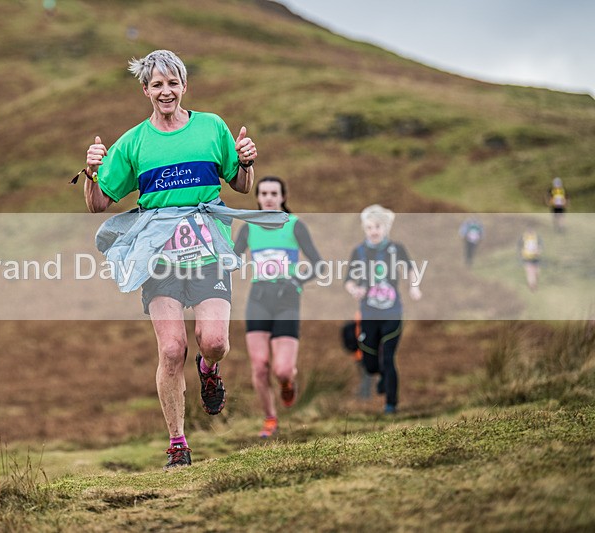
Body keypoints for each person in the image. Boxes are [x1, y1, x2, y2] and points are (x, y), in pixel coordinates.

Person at [81, 50, 287, 469]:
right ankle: (178, 443)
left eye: (172, 83)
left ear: (184, 86)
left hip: (208, 249)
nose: (166, 91)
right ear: (145, 90)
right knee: (172, 348)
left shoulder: (211, 127)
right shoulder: (134, 142)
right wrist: (91, 173)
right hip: (159, 256)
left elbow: (242, 185)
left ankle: (208, 369)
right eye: (157, 84)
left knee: (215, 342)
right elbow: (98, 203)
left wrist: (247, 162)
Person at [233, 177, 323, 438]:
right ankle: (270, 418)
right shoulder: (249, 228)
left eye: (274, 193)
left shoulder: (295, 225)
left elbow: (319, 264)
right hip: (258, 299)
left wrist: (297, 280)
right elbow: (232, 259)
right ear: (258, 198)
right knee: (260, 366)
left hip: (287, 300)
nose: (269, 198)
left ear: (283, 197)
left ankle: (287, 382)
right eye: (264, 193)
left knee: (282, 369)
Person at [343, 204, 422, 414]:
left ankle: (391, 405)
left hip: (392, 313)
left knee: (388, 357)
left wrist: (414, 287)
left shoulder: (396, 249)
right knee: (370, 365)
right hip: (368, 314)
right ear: (364, 228)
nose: (374, 231)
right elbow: (348, 280)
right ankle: (383, 377)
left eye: (377, 227)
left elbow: (411, 270)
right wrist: (354, 290)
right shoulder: (359, 251)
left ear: (386, 227)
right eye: (369, 227)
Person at [518, 224, 542, 291]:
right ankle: (531, 285)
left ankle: (534, 283)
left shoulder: (536, 237)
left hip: (535, 257)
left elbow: (540, 245)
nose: (530, 232)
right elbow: (519, 246)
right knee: (530, 272)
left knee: (537, 272)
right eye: (529, 231)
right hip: (527, 258)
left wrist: (539, 250)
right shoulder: (523, 237)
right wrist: (521, 254)